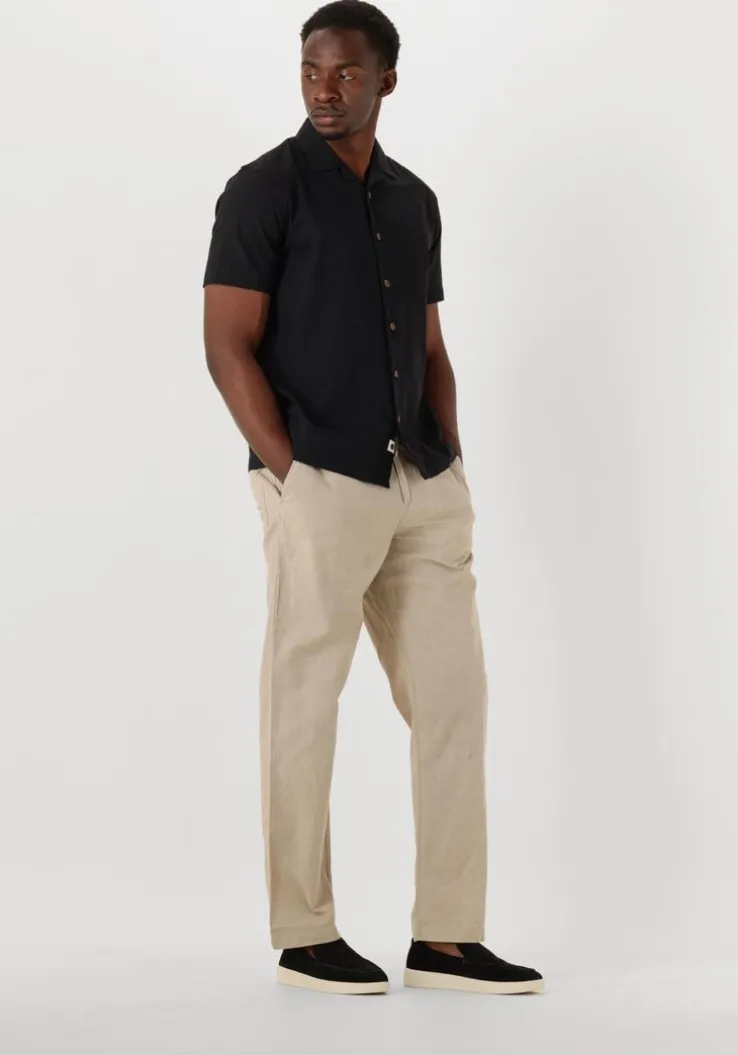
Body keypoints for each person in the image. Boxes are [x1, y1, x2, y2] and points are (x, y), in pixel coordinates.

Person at [202, 0, 543, 996]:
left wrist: (448, 456)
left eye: (346, 72)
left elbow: (430, 343)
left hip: (420, 482)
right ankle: (305, 933)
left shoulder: (412, 200)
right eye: (312, 70)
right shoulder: (262, 190)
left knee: (454, 701)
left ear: (386, 79)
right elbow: (225, 344)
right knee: (304, 702)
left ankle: (447, 937)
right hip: (320, 478)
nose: (325, 89)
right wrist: (289, 471)